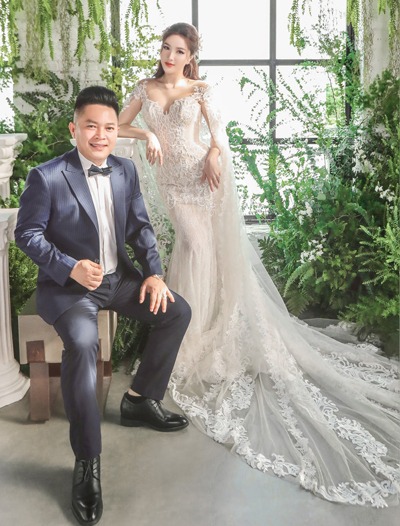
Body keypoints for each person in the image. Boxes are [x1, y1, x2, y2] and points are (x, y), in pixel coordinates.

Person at [118, 22, 400, 508]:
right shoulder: (145, 89)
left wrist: (213, 153)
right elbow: (118, 125)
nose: (169, 55)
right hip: (173, 186)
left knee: (201, 252)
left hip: (202, 177)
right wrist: (145, 131)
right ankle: (185, 330)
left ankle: (195, 328)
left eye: (179, 50)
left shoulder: (201, 89)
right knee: (193, 249)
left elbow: (219, 134)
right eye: (165, 48)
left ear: (191, 56)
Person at [14, 85, 192, 526]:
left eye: (110, 127)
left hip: (119, 281)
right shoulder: (46, 176)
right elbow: (27, 234)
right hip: (71, 289)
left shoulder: (125, 169)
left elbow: (140, 227)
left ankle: (140, 399)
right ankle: (87, 461)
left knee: (177, 312)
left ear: (117, 132)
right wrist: (69, 267)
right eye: (91, 126)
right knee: (82, 344)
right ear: (74, 129)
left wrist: (153, 273)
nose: (101, 135)